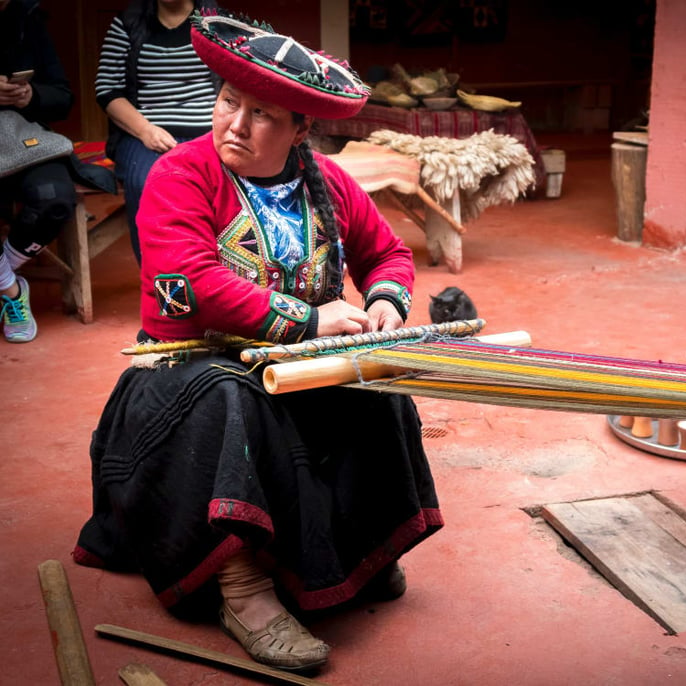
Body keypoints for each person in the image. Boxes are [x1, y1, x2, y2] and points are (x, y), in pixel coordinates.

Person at [73, 10, 442, 673]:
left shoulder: (328, 183)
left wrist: (385, 302)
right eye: (227, 102)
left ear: (302, 128)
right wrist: (308, 321)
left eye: (262, 114)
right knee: (230, 400)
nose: (233, 125)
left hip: (289, 360)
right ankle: (241, 589)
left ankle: (359, 554)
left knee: (378, 382)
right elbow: (191, 281)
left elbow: (385, 255)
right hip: (185, 374)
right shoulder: (180, 175)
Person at [96, 0, 219, 264]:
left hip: (211, 133)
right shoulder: (127, 24)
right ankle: (158, 282)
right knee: (148, 182)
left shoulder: (216, 22)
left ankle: (215, 275)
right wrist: (145, 131)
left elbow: (237, 79)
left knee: (222, 186)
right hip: (145, 135)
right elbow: (107, 90)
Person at [0, 0, 76, 343]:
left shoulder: (28, 18)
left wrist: (30, 95)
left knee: (55, 198)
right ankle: (12, 291)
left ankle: (4, 272)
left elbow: (62, 97)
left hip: (26, 140)